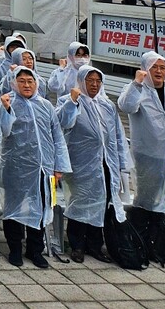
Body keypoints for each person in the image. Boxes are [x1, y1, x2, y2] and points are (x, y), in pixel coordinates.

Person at [0, 67, 71, 268]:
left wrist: (59, 166)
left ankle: (35, 250)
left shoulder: (46, 105)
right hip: (16, 166)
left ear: (36, 83)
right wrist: (6, 110)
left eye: (30, 81)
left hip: (43, 168)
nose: (27, 85)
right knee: (14, 207)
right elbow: (2, 132)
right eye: (22, 81)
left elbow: (57, 137)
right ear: (14, 83)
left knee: (41, 207)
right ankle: (14, 249)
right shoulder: (5, 101)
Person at [57, 65, 128, 263]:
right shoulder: (69, 100)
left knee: (101, 204)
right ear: (81, 81)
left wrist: (121, 165)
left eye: (98, 81)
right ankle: (77, 244)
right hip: (81, 163)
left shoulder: (107, 105)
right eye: (90, 80)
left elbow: (117, 136)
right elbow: (63, 122)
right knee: (81, 202)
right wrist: (72, 101)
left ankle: (95, 245)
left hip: (105, 162)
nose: (94, 84)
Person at [117, 51, 165, 259]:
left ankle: (163, 243)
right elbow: (126, 106)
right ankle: (141, 242)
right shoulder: (137, 90)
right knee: (147, 200)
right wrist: (136, 84)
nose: (159, 71)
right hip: (148, 158)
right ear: (145, 69)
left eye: (162, 67)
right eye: (154, 67)